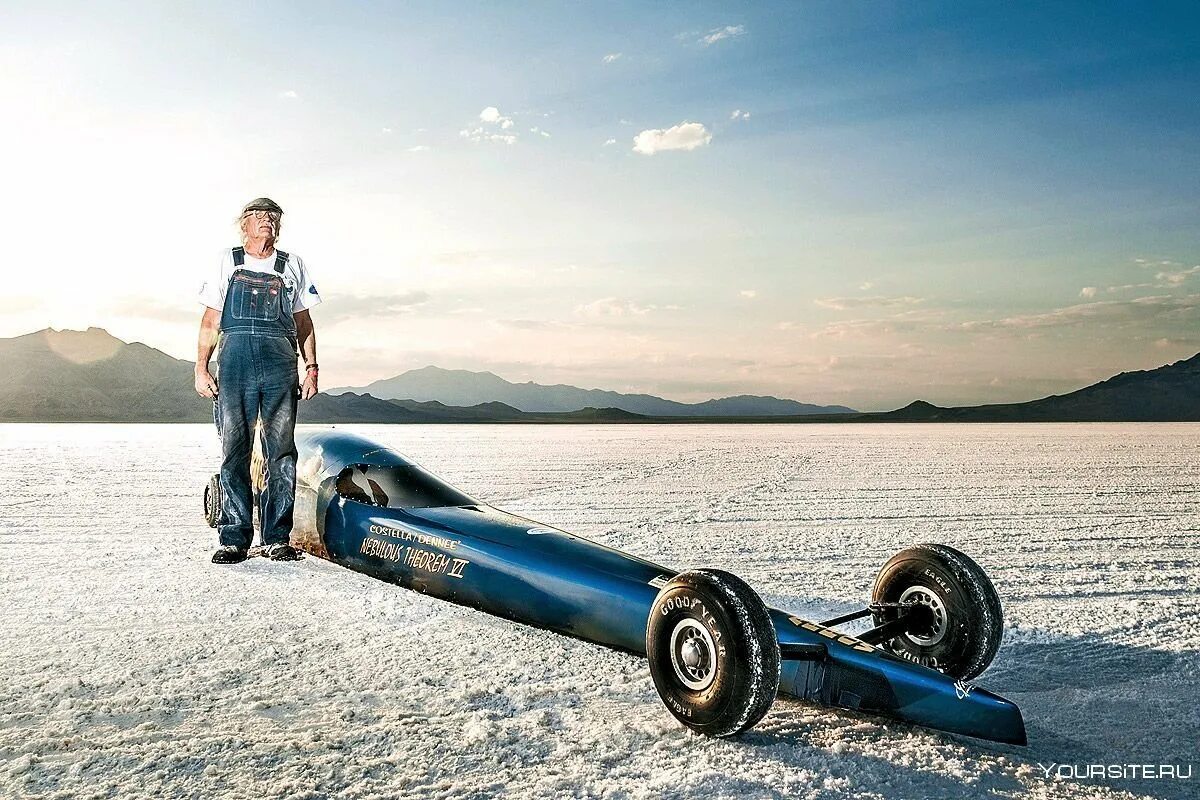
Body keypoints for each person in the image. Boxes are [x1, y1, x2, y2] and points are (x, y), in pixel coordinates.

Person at [193, 197, 322, 564]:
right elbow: (210, 320)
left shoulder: (292, 265)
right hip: (234, 365)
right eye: (259, 216)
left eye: (273, 217)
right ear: (243, 225)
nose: (266, 221)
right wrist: (201, 367)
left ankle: (277, 537)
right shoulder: (227, 261)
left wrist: (311, 367)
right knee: (235, 449)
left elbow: (304, 323)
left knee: (281, 451)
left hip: (281, 363)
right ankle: (234, 537)